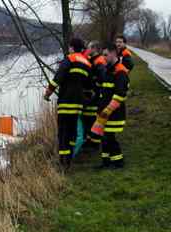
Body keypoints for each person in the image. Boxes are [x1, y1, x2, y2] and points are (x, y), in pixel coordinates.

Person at [44, 38, 92, 169]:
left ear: (71, 47)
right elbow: (88, 85)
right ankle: (69, 159)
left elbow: (57, 79)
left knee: (62, 132)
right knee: (72, 132)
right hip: (77, 105)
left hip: (65, 102)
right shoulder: (87, 63)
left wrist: (47, 93)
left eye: (69, 47)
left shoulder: (69, 59)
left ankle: (62, 161)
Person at [91, 43, 130, 169]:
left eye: (106, 55)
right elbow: (105, 91)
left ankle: (118, 162)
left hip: (113, 113)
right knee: (104, 137)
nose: (104, 58)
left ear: (113, 53)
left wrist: (107, 110)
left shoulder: (120, 71)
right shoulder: (108, 70)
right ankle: (106, 162)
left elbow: (119, 95)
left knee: (109, 137)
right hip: (104, 112)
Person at [82, 41, 107, 149]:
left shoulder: (99, 61)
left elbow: (102, 79)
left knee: (92, 119)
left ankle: (94, 143)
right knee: (90, 119)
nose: (87, 50)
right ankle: (91, 141)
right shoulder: (94, 60)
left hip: (96, 95)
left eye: (89, 48)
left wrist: (94, 85)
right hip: (93, 95)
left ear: (94, 49)